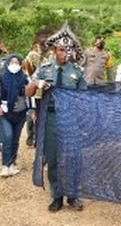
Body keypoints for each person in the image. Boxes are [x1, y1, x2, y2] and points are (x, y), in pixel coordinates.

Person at [25, 24, 87, 212]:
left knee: (72, 157)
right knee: (53, 158)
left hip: (70, 120)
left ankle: (73, 196)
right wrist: (37, 83)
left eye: (68, 50)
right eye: (61, 49)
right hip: (51, 119)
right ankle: (57, 195)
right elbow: (27, 92)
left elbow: (85, 98)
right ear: (54, 50)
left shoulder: (76, 71)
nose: (65, 53)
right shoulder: (44, 69)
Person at [0, 54, 32, 177]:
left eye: (17, 62)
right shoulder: (1, 77)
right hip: (4, 113)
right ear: (8, 63)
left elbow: (30, 93)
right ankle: (5, 165)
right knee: (7, 137)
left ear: (21, 64)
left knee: (15, 139)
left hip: (20, 113)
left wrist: (31, 109)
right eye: (12, 62)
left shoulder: (24, 78)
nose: (15, 65)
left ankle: (12, 163)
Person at [23, 29, 53, 147]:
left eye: (48, 39)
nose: (45, 42)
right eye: (43, 39)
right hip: (35, 92)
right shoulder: (31, 56)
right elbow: (27, 73)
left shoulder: (53, 55)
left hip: (49, 92)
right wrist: (34, 84)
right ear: (38, 41)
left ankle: (43, 141)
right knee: (33, 116)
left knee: (46, 118)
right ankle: (33, 136)